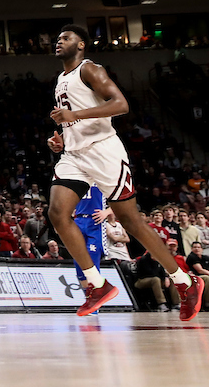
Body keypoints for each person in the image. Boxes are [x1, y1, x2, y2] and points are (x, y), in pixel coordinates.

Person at [46, 24, 202, 319]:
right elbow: (71, 120)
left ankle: (184, 281)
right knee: (57, 213)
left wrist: (74, 116)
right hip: (75, 154)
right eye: (57, 38)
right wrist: (61, 138)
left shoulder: (89, 69)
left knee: (132, 223)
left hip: (104, 151)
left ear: (81, 45)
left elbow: (120, 104)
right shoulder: (61, 79)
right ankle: (98, 284)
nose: (59, 41)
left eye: (66, 38)